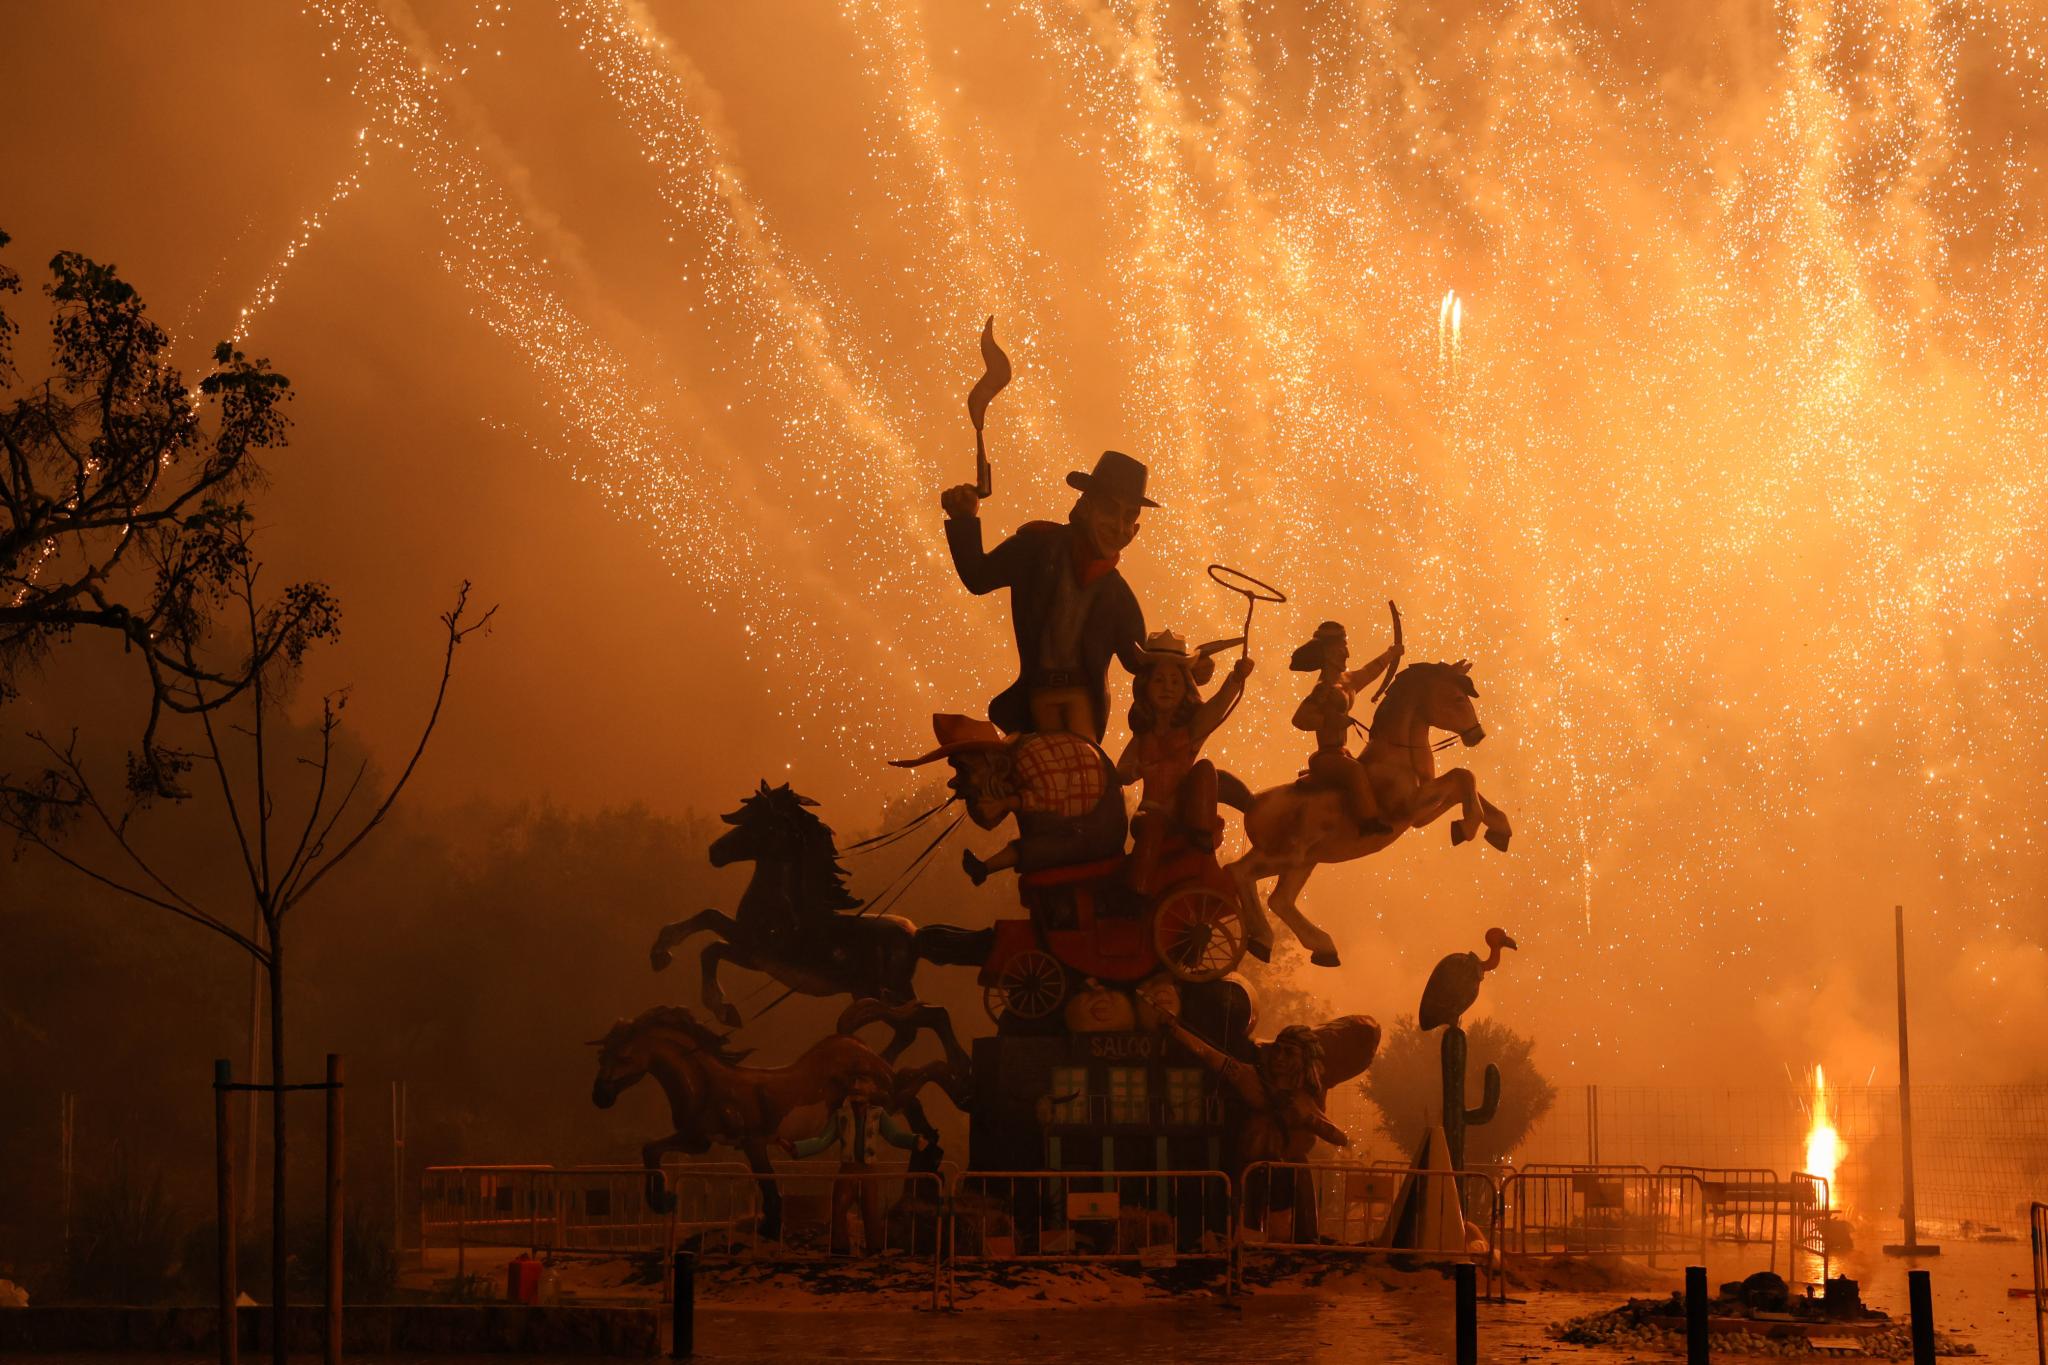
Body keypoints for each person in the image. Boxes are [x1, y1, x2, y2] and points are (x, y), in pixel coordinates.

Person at [941, 450, 1152, 742]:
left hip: (1084, 707)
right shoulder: (1036, 547)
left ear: (1136, 530)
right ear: (1087, 506)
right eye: (1110, 510)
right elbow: (979, 577)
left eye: (1128, 518)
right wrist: (963, 519)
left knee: (1085, 775)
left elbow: (1139, 659)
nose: (1118, 527)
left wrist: (1186, 667)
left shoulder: (1116, 593)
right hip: (1034, 701)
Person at [889, 713, 1127, 886]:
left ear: (992, 763)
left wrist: (1008, 802)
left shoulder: (1030, 758)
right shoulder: (1014, 767)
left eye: (963, 770)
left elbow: (1051, 796)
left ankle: (984, 868)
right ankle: (984, 868)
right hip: (1074, 820)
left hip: (1099, 828)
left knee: (1041, 848)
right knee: (1038, 842)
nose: (954, 782)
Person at [1116, 630, 1253, 888]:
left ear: (1185, 688)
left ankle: (1201, 838)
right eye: (1159, 680)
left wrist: (1236, 678)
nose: (1167, 688)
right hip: (1152, 812)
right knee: (1153, 827)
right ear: (1145, 686)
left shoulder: (1191, 731)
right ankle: (1137, 893)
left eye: (1175, 682)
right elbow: (1120, 770)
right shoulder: (1142, 736)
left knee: (1204, 769)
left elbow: (1218, 706)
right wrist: (1131, 770)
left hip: (1187, 813)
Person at [1289, 621, 1401, 834]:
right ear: (1328, 653)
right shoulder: (1323, 689)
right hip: (1327, 756)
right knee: (1356, 771)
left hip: (1342, 753)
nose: (1347, 654)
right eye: (1341, 648)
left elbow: (1370, 670)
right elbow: (1300, 719)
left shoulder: (1348, 680)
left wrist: (1390, 654)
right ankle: (1368, 822)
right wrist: (1330, 721)